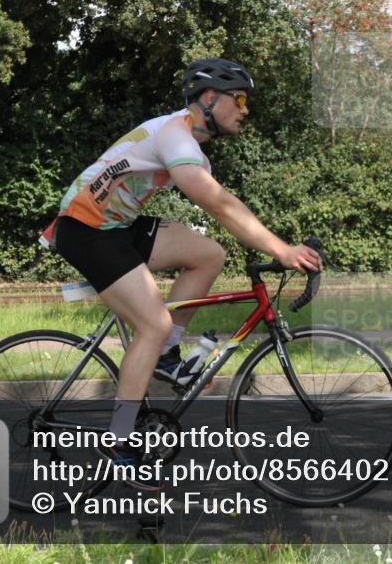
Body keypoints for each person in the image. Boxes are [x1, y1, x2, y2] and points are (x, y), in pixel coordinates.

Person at [38, 58, 322, 489]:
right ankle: (119, 443)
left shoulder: (190, 147)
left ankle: (166, 355)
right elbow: (219, 205)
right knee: (152, 323)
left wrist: (275, 245)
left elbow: (225, 205)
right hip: (85, 229)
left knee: (208, 255)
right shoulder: (174, 135)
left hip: (116, 226)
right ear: (209, 98)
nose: (245, 109)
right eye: (238, 100)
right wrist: (282, 249)